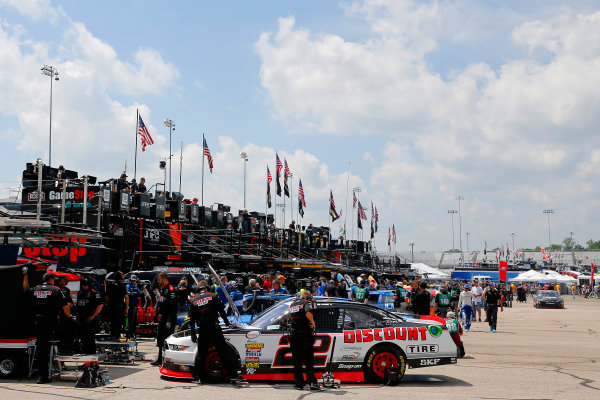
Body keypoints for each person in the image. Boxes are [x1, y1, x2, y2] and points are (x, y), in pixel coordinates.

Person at [23, 271, 71, 384]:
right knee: (49, 345)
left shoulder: (35, 289)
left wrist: (25, 275)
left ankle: (43, 374)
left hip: (38, 322)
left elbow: (25, 290)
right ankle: (46, 374)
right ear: (51, 280)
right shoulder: (55, 290)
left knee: (41, 346)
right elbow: (65, 306)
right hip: (51, 323)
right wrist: (69, 316)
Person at [188, 280, 240, 383]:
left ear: (199, 290)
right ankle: (232, 375)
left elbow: (191, 320)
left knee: (202, 354)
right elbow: (222, 311)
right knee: (223, 351)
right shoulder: (213, 296)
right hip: (214, 328)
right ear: (207, 288)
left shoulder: (194, 301)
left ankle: (201, 378)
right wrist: (227, 323)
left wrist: (193, 334)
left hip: (203, 330)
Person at [288, 290, 320, 391]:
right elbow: (308, 312)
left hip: (294, 335)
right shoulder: (306, 303)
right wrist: (312, 322)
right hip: (305, 334)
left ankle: (299, 384)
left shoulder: (292, 304)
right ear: (307, 297)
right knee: (308, 359)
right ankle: (312, 382)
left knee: (297, 361)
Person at [152, 272, 178, 366]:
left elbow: (172, 305)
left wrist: (169, 321)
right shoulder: (162, 289)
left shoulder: (171, 289)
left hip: (169, 319)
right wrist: (156, 314)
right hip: (163, 317)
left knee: (167, 339)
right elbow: (161, 303)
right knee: (160, 339)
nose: (158, 281)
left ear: (165, 279)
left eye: (159, 279)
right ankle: (159, 359)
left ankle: (166, 360)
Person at [76, 278, 104, 354]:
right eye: (82, 285)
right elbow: (78, 305)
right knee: (82, 337)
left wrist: (93, 316)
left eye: (85, 285)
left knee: (90, 337)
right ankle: (84, 353)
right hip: (81, 318)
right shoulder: (80, 293)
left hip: (91, 319)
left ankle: (91, 354)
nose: (83, 286)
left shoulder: (94, 293)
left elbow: (100, 305)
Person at [55, 276, 76, 354]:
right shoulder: (55, 289)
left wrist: (69, 305)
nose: (64, 282)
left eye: (65, 280)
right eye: (62, 280)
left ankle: (67, 349)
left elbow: (71, 303)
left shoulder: (66, 290)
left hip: (65, 315)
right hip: (57, 314)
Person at [105, 271, 129, 339]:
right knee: (119, 322)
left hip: (111, 306)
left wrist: (108, 304)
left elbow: (106, 297)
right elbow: (126, 297)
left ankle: (113, 334)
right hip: (120, 307)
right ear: (122, 277)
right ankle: (117, 335)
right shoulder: (122, 286)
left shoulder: (110, 285)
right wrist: (126, 308)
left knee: (112, 321)